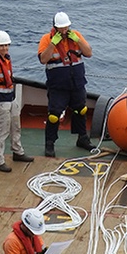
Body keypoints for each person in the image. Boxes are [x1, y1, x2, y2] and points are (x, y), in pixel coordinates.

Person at [38, 12, 93, 157]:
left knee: (81, 110)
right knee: (54, 116)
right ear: (55, 28)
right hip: (58, 86)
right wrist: (52, 44)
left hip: (77, 83)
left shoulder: (76, 36)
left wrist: (78, 41)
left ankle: (82, 138)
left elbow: (88, 53)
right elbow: (43, 59)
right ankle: (50, 144)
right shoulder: (46, 39)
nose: (64, 31)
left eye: (66, 28)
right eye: (61, 28)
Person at [0, 30, 34, 172]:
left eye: (6, 45)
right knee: (2, 131)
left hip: (11, 99)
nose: (4, 48)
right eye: (1, 46)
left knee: (15, 126)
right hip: (1, 102)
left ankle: (17, 151)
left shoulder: (7, 59)